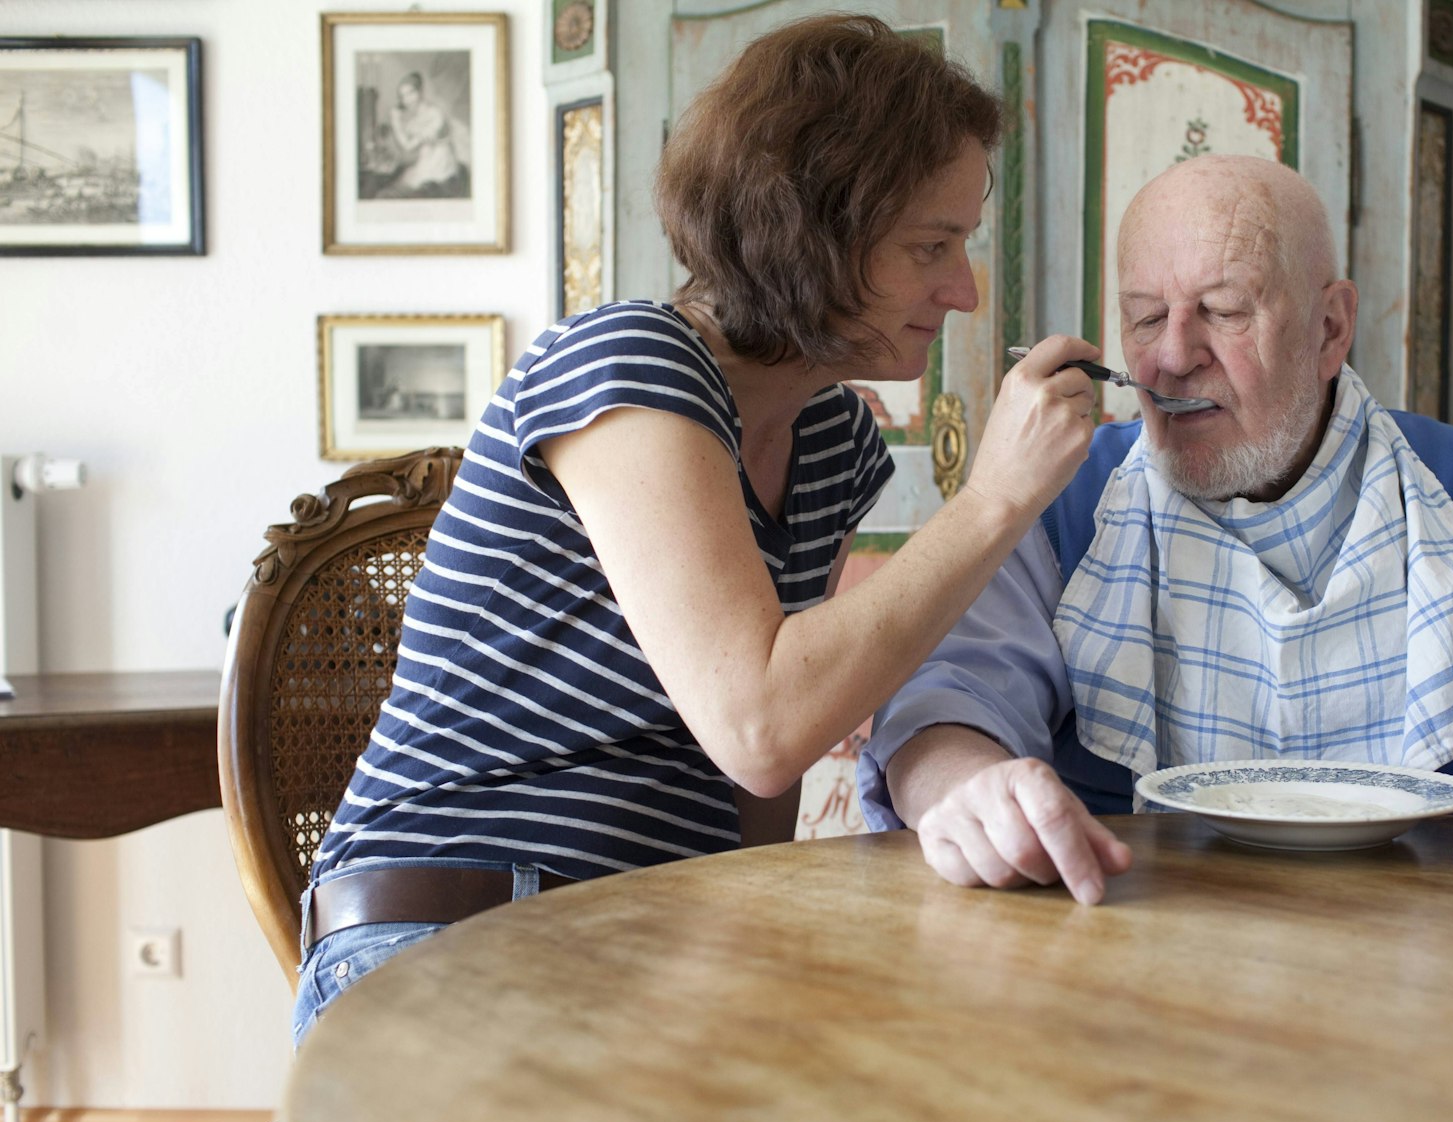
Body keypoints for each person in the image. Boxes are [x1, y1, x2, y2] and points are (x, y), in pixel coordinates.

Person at [291, 15, 1101, 1043]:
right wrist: (995, 496)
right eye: (928, 247)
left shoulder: (830, 440)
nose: (964, 290)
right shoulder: (628, 363)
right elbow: (758, 723)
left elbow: (744, 795)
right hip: (450, 928)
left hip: (631, 936)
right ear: (812, 230)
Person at [859, 155, 1453, 906]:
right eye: (1146, 316)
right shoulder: (1056, 502)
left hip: (1445, 963)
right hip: (1123, 944)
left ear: (1331, 327)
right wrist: (966, 787)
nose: (1170, 356)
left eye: (1225, 310)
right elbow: (950, 704)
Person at [383, 72, 468, 199]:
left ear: (420, 92)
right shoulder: (414, 119)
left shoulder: (434, 115)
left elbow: (408, 146)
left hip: (439, 171)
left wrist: (395, 122)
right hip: (425, 166)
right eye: (402, 96)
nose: (406, 100)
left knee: (394, 194)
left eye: (410, 93)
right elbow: (406, 149)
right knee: (388, 191)